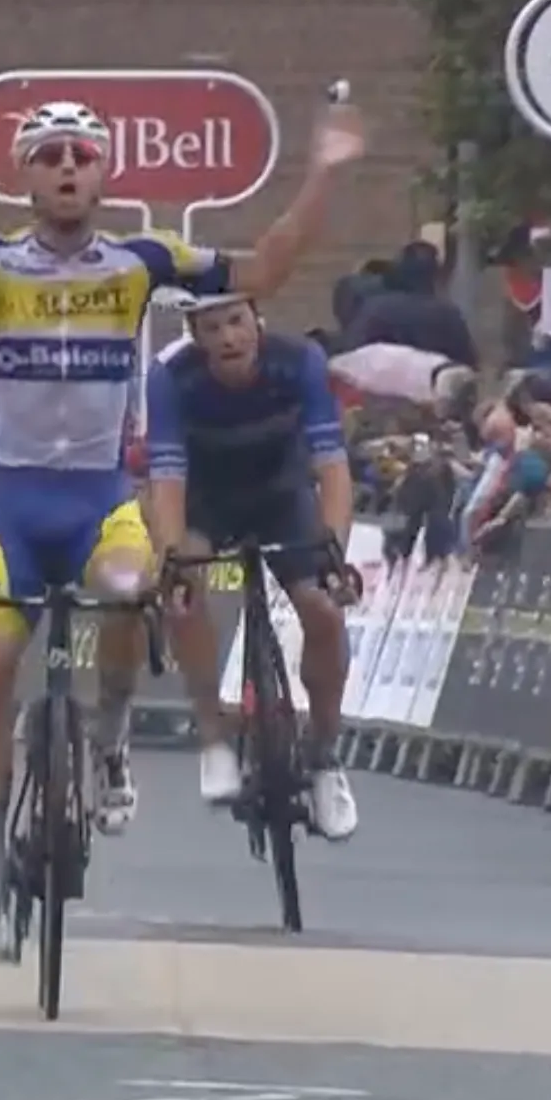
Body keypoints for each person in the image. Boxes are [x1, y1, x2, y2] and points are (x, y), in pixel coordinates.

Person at [0, 63, 361, 963]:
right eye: (49, 156)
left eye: (82, 156)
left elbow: (265, 268)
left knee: (139, 583)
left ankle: (107, 737)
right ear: (24, 177)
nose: (67, 169)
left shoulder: (143, 263)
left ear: (104, 177)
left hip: (100, 498)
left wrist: (325, 171)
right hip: (15, 504)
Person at [142, 289, 364, 843]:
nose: (228, 338)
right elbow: (166, 477)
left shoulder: (300, 362)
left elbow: (332, 467)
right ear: (194, 335)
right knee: (183, 587)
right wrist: (171, 557)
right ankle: (213, 735)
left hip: (280, 495)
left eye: (237, 323)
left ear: (257, 321)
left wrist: (333, 550)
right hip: (205, 499)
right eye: (212, 329)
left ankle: (324, 756)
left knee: (323, 612)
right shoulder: (171, 377)